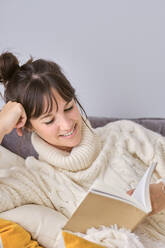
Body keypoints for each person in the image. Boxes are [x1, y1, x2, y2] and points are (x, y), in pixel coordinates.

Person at [0, 52, 165, 247]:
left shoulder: (124, 134)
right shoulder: (38, 181)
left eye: (69, 107)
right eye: (50, 120)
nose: (67, 124)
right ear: (27, 126)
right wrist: (1, 126)